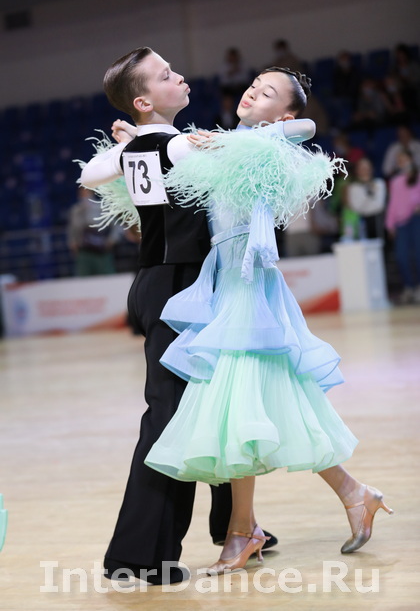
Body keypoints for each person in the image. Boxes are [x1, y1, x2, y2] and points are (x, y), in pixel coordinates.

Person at [142, 67, 394, 575]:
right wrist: (143, 136)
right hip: (229, 279)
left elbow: (307, 128)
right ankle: (349, 495)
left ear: (283, 114)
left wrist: (229, 142)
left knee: (240, 404)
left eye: (268, 92)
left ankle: (245, 531)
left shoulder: (271, 142)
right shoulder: (232, 141)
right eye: (254, 84)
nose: (253, 92)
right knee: (260, 404)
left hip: (250, 282)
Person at [80, 49, 313, 584]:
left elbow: (91, 175)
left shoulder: (144, 145)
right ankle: (138, 556)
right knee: (170, 419)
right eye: (165, 75)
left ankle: (237, 525)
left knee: (215, 399)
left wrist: (131, 142)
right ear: (144, 101)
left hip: (166, 282)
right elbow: (287, 133)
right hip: (177, 286)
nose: (179, 75)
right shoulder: (178, 144)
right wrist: (216, 140)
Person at [385, 149, 420, 304]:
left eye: (404, 159)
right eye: (399, 160)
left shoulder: (418, 177)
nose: (402, 162)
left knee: (418, 255)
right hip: (401, 223)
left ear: (411, 159)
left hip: (416, 219)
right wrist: (390, 223)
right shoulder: (396, 181)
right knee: (401, 256)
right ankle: (408, 287)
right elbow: (393, 203)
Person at [67, 186, 119, 276]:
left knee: (107, 277)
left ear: (92, 193)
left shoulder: (102, 207)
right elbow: (72, 229)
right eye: (82, 193)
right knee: (83, 278)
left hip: (102, 249)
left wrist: (112, 240)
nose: (84, 195)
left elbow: (116, 225)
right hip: (84, 251)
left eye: (87, 193)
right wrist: (72, 242)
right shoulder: (76, 210)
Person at [344, 157, 387, 241]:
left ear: (372, 169)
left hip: (376, 221)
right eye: (362, 168)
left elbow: (379, 206)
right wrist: (368, 192)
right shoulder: (353, 187)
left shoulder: (379, 183)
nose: (365, 170)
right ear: (357, 170)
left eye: (367, 168)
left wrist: (366, 194)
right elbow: (356, 207)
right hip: (359, 222)